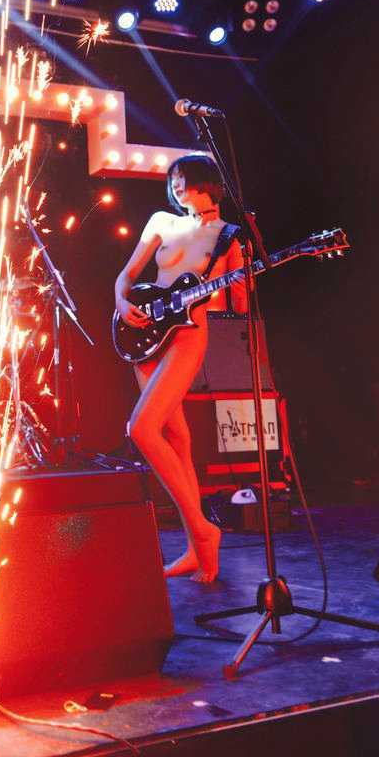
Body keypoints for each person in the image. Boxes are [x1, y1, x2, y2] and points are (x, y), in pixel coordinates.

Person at [113, 153, 245, 583]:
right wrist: (122, 303)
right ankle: (197, 551)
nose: (175, 187)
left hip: (188, 335)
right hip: (148, 334)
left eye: (182, 179)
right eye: (172, 181)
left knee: (142, 428)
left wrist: (239, 282)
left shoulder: (228, 238)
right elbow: (126, 276)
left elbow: (239, 304)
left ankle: (203, 530)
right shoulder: (161, 222)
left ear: (205, 182)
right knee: (177, 438)